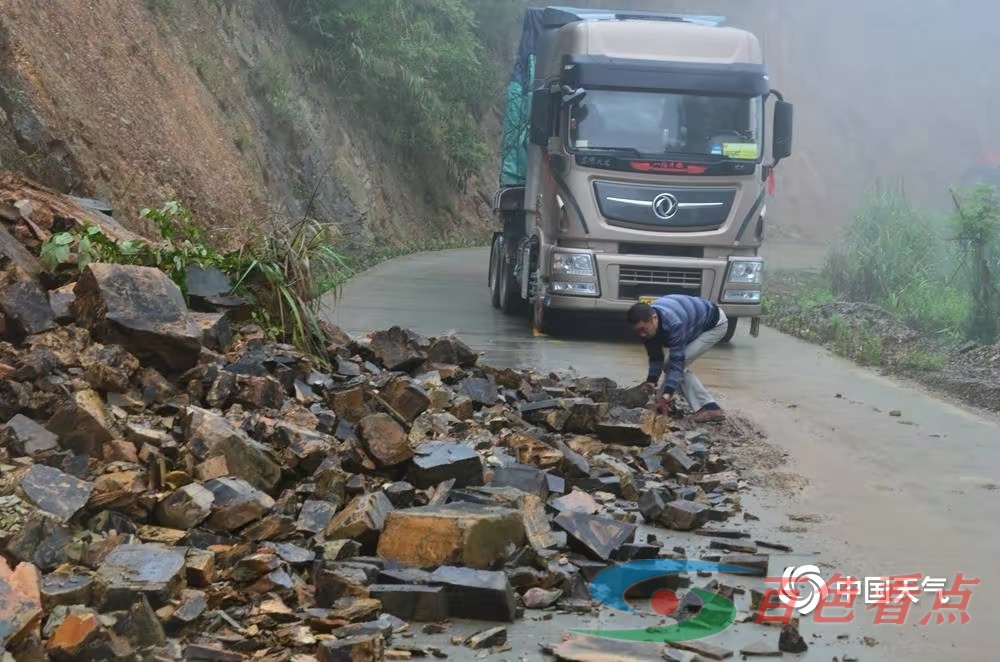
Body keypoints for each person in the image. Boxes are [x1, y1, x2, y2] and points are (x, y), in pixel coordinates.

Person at [626, 294, 729, 423]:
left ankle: (709, 408)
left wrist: (667, 394)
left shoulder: (674, 324)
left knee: (673, 365)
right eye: (637, 331)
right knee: (668, 365)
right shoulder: (648, 324)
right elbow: (655, 356)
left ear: (654, 318)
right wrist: (652, 380)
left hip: (714, 325)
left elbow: (677, 363)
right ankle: (660, 402)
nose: (642, 334)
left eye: (643, 329)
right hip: (692, 323)